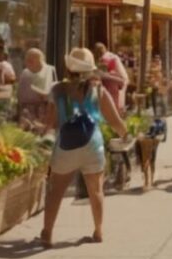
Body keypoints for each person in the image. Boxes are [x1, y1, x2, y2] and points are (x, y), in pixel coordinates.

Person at [41, 48, 127, 248]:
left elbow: (51, 122)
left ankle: (47, 233)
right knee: (96, 190)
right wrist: (125, 134)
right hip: (92, 145)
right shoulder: (98, 90)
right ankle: (98, 230)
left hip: (66, 147)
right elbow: (114, 119)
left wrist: (41, 133)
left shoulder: (57, 90)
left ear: (69, 68)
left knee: (56, 192)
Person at [18, 48, 56, 124]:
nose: (28, 63)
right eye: (27, 60)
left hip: (44, 113)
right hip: (27, 114)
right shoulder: (25, 73)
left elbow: (53, 98)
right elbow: (20, 98)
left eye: (31, 61)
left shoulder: (50, 71)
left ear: (41, 61)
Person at [93, 42, 129, 111]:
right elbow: (123, 80)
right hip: (108, 90)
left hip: (109, 90)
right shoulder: (112, 58)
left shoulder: (111, 59)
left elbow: (123, 80)